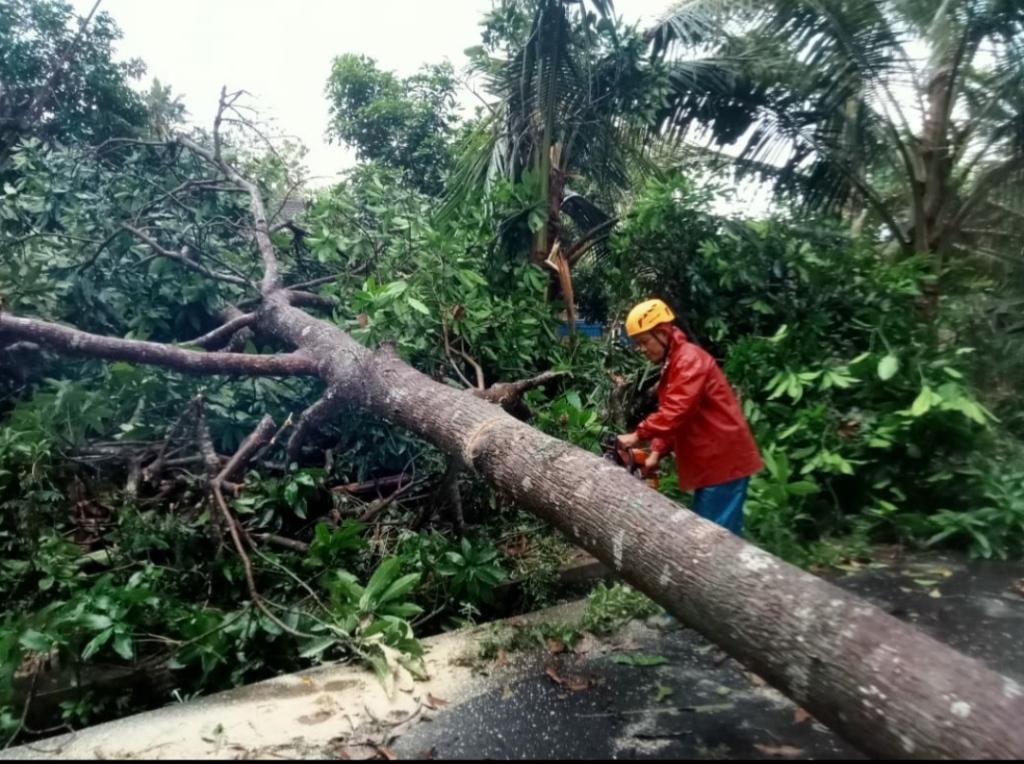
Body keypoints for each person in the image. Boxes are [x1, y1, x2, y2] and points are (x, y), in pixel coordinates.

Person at [617, 298, 762, 535]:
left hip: (723, 461)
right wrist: (656, 452)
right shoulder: (675, 362)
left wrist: (636, 435)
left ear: (662, 333)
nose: (641, 349)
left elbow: (675, 412)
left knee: (713, 539)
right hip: (712, 462)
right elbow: (678, 417)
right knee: (707, 533)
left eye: (644, 342)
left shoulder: (689, 360)